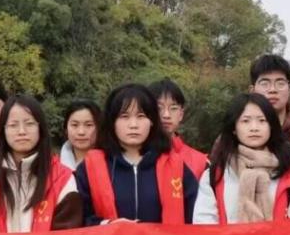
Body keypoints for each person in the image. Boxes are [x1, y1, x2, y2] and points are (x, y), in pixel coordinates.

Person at [74, 84, 199, 225]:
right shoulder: (91, 167)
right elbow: (78, 219)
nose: (133, 124)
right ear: (112, 122)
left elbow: (197, 217)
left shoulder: (175, 165)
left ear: (152, 121)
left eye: (141, 116)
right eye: (124, 116)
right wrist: (106, 225)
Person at [0, 94, 83, 232]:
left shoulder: (62, 178)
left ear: (40, 128)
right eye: (13, 125)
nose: (21, 131)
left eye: (29, 124)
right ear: (3, 130)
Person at [193, 92, 290, 224]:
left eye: (262, 121)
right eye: (245, 121)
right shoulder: (214, 175)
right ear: (234, 128)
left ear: (271, 126)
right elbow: (204, 225)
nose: (254, 128)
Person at [250, 54, 290, 167]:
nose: (272, 90)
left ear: (289, 89)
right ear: (252, 90)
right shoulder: (236, 133)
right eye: (265, 83)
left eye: (280, 83)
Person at [150, 78, 208, 178]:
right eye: (159, 108)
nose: (166, 115)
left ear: (181, 114)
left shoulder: (201, 162)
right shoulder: (133, 157)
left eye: (173, 108)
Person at [59, 99, 101, 171]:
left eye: (89, 125)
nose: (81, 132)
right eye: (75, 125)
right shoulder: (54, 166)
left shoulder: (112, 164)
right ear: (66, 129)